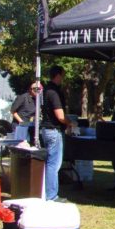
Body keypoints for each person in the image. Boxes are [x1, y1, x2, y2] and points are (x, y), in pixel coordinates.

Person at [41, 65, 72, 202]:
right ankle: (51, 195)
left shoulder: (46, 90)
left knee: (50, 163)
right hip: (53, 130)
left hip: (46, 130)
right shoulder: (53, 92)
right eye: (63, 75)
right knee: (54, 164)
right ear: (58, 75)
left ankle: (47, 193)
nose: (63, 78)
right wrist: (70, 123)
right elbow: (60, 116)